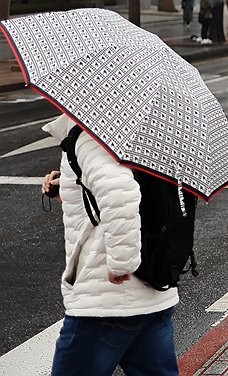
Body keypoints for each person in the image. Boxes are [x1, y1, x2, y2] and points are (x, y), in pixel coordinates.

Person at [41, 115, 180, 375]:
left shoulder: (91, 135)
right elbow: (134, 192)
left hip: (106, 306)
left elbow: (118, 191)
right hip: (153, 295)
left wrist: (121, 264)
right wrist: (68, 188)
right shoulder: (141, 130)